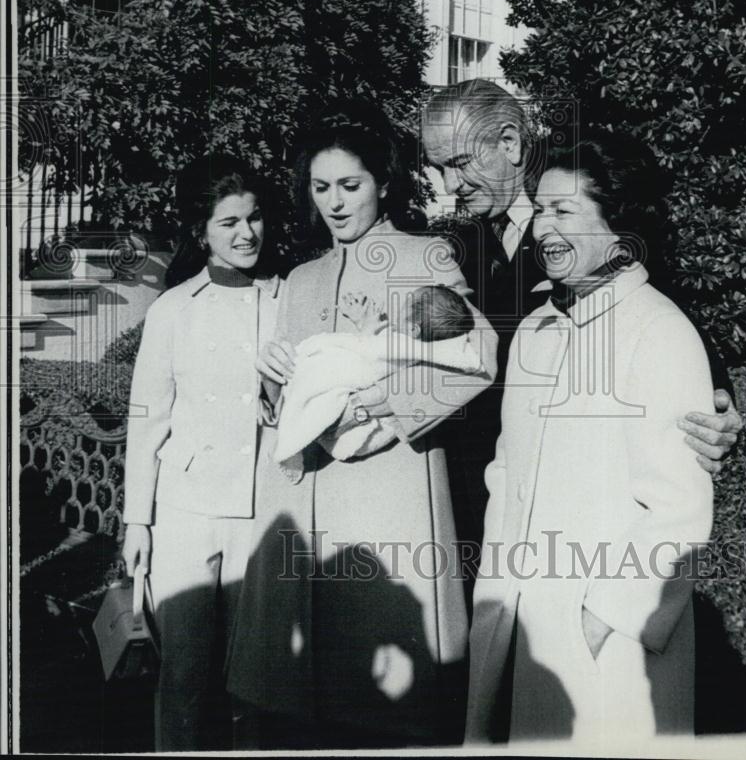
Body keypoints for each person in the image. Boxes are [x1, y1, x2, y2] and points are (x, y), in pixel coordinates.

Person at [225, 104, 498, 748]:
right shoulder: (300, 278)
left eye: (351, 186)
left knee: (383, 697)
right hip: (303, 500)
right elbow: (282, 401)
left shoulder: (425, 256)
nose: (336, 203)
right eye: (322, 188)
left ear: (382, 182)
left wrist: (380, 401)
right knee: (300, 698)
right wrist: (267, 378)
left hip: (388, 490)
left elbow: (475, 356)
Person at [421, 80, 740, 583]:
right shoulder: (463, 247)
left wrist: (718, 403)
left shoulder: (595, 217)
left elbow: (664, 309)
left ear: (509, 143)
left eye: (459, 163)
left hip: (585, 527)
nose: (447, 184)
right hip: (489, 511)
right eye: (438, 167)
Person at [466, 134, 714, 747]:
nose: (544, 228)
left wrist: (599, 621)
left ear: (619, 227)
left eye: (565, 211)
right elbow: (506, 477)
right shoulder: (534, 330)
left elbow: (679, 512)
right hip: (522, 622)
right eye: (539, 210)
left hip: (610, 647)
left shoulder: (659, 330)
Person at [120, 154, 281, 751]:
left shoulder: (284, 298)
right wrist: (138, 521)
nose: (247, 234)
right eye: (230, 222)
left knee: (253, 682)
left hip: (262, 510)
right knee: (182, 673)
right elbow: (147, 422)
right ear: (201, 231)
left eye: (255, 218)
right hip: (185, 513)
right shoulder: (171, 311)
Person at [273, 286, 483, 462]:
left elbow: (368, 351)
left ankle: (293, 433)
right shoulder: (416, 346)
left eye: (405, 307)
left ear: (413, 330)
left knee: (317, 375)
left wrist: (362, 405)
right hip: (346, 431)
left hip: (386, 453)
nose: (398, 310)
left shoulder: (406, 345)